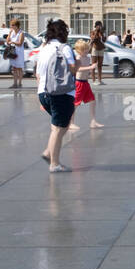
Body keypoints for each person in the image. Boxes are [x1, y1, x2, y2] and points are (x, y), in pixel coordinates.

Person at [37, 19, 79, 172]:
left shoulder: (44, 48)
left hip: (43, 92)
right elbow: (73, 69)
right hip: (61, 92)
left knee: (61, 125)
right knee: (58, 128)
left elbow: (37, 73)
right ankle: (54, 163)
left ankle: (49, 152)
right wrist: (79, 62)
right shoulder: (64, 48)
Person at [69, 38, 103, 129]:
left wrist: (91, 67)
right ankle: (70, 122)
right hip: (79, 83)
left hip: (85, 82)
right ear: (79, 51)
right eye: (84, 50)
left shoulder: (87, 58)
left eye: (87, 49)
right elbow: (77, 69)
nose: (87, 51)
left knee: (92, 101)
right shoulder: (78, 58)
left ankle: (93, 121)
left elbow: (88, 68)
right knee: (76, 103)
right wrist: (90, 68)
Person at [5, 18, 27, 89]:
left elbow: (20, 43)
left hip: (19, 51)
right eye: (11, 25)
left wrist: (13, 42)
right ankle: (15, 83)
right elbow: (7, 41)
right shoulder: (12, 32)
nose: (11, 26)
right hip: (13, 51)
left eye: (13, 25)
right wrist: (9, 33)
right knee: (14, 68)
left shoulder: (21, 33)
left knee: (19, 68)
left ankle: (20, 83)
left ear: (17, 25)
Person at [91, 22, 108, 86]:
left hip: (101, 49)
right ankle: (93, 80)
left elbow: (104, 40)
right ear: (96, 26)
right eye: (98, 26)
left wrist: (102, 33)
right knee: (93, 65)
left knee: (100, 65)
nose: (99, 27)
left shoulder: (101, 32)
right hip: (95, 49)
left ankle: (100, 80)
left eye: (100, 26)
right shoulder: (93, 32)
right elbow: (93, 39)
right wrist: (96, 32)